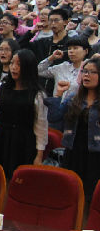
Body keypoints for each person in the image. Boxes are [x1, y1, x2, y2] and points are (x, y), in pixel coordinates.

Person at [0, 49, 48, 177]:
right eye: (12, 63)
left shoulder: (37, 95)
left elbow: (41, 127)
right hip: (3, 139)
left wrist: (39, 156)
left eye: (19, 64)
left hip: (25, 142)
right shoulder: (2, 88)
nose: (14, 67)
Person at [47, 59, 100, 202]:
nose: (86, 75)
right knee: (70, 193)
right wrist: (58, 94)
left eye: (92, 72)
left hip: (95, 156)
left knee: (91, 196)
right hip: (73, 152)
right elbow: (54, 117)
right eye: (85, 71)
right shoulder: (73, 98)